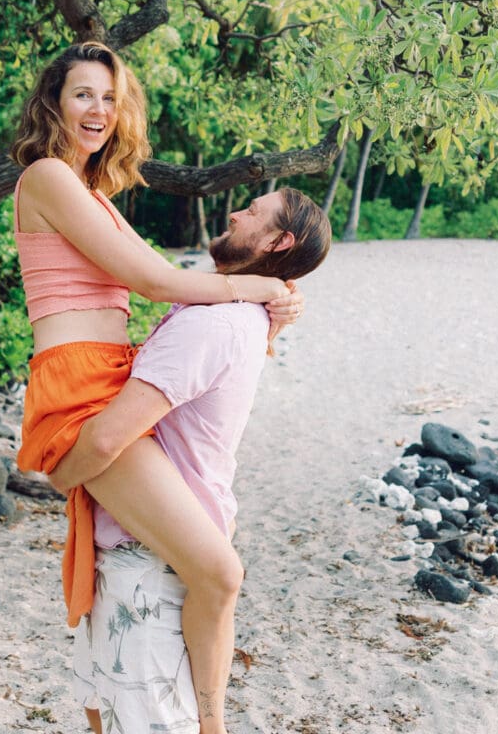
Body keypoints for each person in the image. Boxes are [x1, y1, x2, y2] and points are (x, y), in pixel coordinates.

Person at [10, 41, 305, 734]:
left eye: (111, 99)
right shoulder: (47, 176)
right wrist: (259, 284)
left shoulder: (93, 192)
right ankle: (213, 725)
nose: (99, 111)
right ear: (54, 101)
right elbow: (153, 282)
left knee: (209, 562)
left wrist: (270, 315)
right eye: (84, 94)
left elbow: (181, 321)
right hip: (78, 385)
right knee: (218, 570)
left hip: (106, 372)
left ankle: (205, 720)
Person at [49, 187, 331, 734]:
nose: (234, 212)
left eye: (252, 211)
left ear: (278, 240)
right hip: (154, 549)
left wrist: (58, 473)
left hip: (150, 565)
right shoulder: (237, 314)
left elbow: (109, 439)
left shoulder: (213, 324)